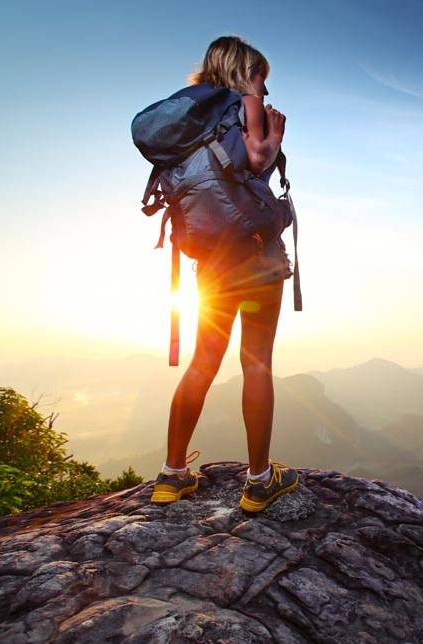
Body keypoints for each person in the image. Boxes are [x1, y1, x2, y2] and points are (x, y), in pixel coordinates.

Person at [149, 35, 300, 513]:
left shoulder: (189, 120)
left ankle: (172, 476)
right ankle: (258, 481)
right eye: (263, 79)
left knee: (203, 362)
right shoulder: (246, 102)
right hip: (256, 257)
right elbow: (256, 160)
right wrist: (274, 136)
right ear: (246, 71)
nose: (266, 91)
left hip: (211, 260)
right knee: (256, 363)